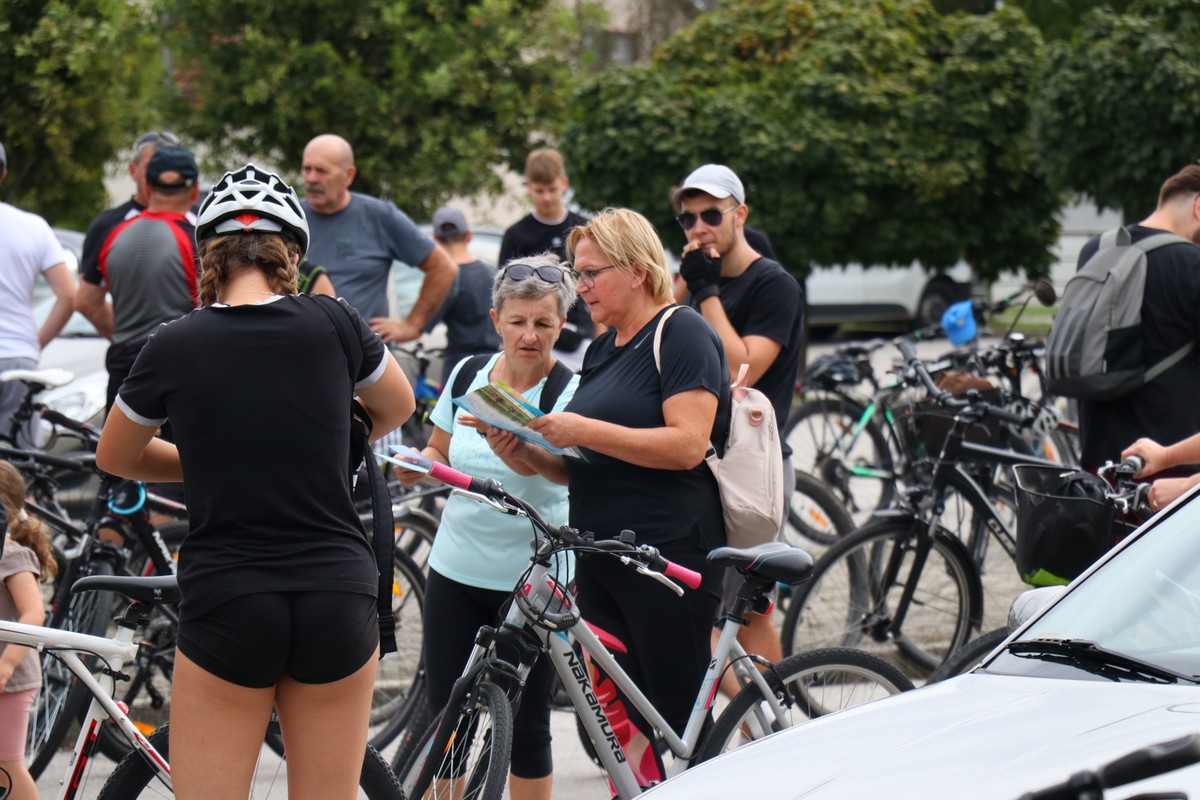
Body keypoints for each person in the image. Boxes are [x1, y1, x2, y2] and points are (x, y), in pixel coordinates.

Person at [95, 164, 415, 798]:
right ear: (290, 252)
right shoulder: (335, 321)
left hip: (231, 595)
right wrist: (305, 449)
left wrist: (220, 456)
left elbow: (116, 455)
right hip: (336, 592)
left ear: (205, 254)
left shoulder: (174, 342)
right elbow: (398, 407)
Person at [486, 208, 728, 786]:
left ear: (638, 270)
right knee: (624, 722)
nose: (581, 287)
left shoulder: (682, 331)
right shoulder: (602, 349)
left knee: (680, 719)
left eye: (591, 273)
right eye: (578, 273)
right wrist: (523, 452)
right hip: (602, 554)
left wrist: (581, 431)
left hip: (667, 554)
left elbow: (688, 445)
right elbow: (586, 470)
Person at [397, 253, 578, 800]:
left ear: (561, 325)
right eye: (518, 321)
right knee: (446, 719)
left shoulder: (568, 391)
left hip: (536, 580)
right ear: (495, 319)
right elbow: (438, 447)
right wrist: (417, 468)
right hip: (456, 569)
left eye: (543, 323)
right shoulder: (467, 373)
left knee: (527, 728)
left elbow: (566, 475)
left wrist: (522, 451)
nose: (529, 335)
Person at [672, 163, 805, 679]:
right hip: (700, 463)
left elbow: (739, 365)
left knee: (743, 614)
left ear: (740, 214)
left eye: (710, 214)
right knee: (724, 614)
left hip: (753, 468)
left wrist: (706, 294)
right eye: (688, 219)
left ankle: (769, 729)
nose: (699, 227)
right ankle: (755, 724)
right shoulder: (697, 283)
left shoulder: (773, 284)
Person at [1078, 164, 1200, 474]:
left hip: (1100, 451)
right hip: (1167, 456)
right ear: (1198, 207)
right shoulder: (1191, 262)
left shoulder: (1095, 250)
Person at [74, 144, 203, 414]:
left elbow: (86, 301)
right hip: (177, 376)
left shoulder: (113, 233)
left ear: (147, 185)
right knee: (177, 457)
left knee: (117, 456)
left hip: (123, 376)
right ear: (194, 190)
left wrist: (126, 339)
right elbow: (210, 311)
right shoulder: (196, 242)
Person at [299, 133, 457, 342]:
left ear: (349, 175)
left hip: (364, 359)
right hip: (306, 351)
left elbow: (443, 267)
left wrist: (412, 325)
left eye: (321, 171)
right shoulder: (291, 218)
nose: (311, 179)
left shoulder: (379, 217)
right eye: (306, 169)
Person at [500, 148, 601, 370]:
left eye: (552, 189)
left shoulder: (585, 229)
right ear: (528, 187)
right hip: (532, 334)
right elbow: (503, 293)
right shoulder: (516, 234)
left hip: (580, 335)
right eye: (539, 190)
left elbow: (599, 284)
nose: (546, 197)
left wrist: (600, 340)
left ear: (564, 184)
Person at [0, 140, 76, 435]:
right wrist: (33, 343)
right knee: (21, 466)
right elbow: (68, 295)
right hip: (19, 357)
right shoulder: (33, 227)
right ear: (4, 174)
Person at [0, 459, 56, 800]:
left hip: (12, 678)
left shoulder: (13, 555)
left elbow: (34, 613)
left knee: (7, 765)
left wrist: (6, 665)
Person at [79, 131, 186, 290]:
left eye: (170, 168)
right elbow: (87, 299)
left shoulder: (201, 220)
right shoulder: (107, 226)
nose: (161, 177)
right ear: (132, 170)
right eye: (152, 168)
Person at [424, 206, 501, 382]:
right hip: (494, 362)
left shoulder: (445, 278)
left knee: (454, 410)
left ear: (435, 240)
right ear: (468, 236)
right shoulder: (491, 272)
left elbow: (426, 322)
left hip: (460, 365)